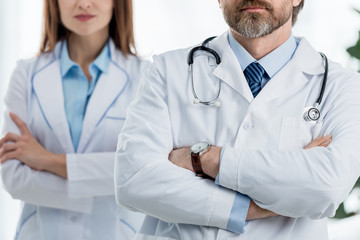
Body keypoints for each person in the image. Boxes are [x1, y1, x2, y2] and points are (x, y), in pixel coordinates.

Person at [114, 0, 360, 239]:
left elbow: (327, 188)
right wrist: (250, 208)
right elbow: (133, 180)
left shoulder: (342, 87)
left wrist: (206, 158)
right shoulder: (168, 70)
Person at [0, 0, 149, 239]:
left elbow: (143, 168)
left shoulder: (146, 77)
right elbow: (13, 177)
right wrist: (101, 182)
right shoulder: (26, 74)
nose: (84, 4)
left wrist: (45, 160)